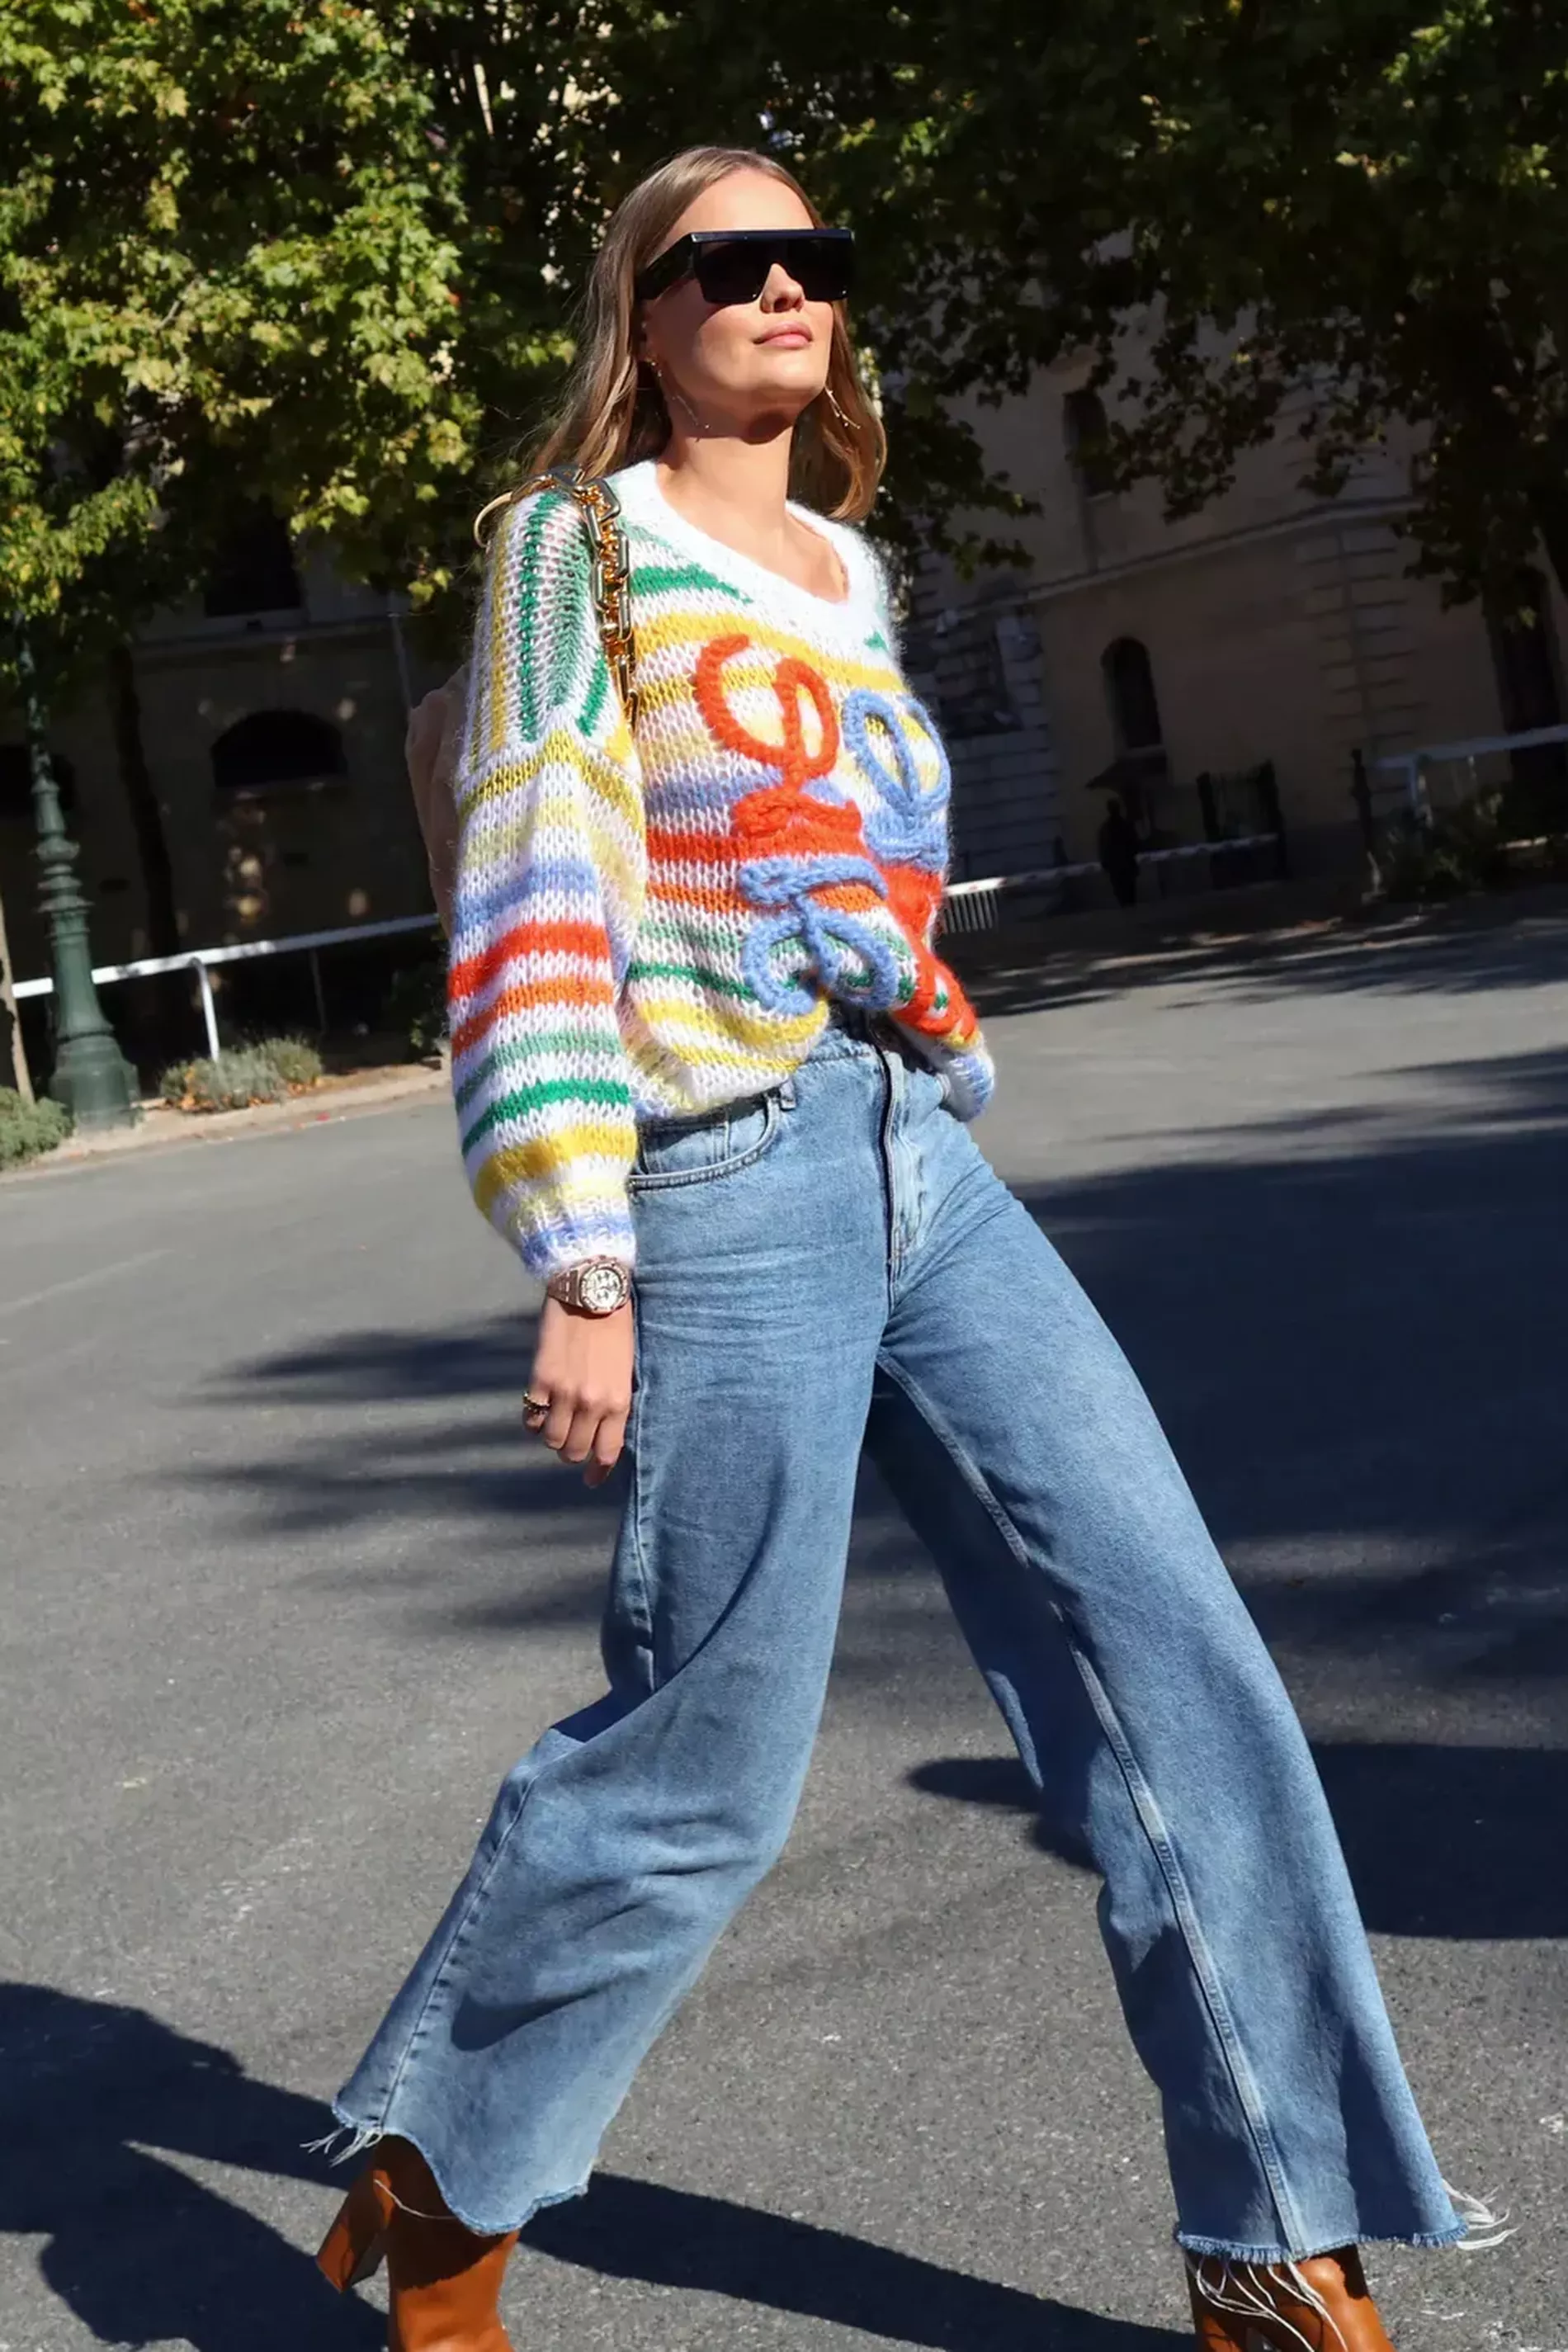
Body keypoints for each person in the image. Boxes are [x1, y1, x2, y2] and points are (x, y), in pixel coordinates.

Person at [313, 145, 1494, 2351]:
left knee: (1174, 1652)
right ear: (640, 315)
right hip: (715, 1169)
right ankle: (443, 2172)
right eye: (718, 263)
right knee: (714, 1756)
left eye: (808, 259)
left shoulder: (852, 572)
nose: (775, 289)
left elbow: (873, 875)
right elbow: (537, 881)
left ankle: (1275, 2234)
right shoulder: (574, 550)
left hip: (911, 1149)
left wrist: (929, 1028)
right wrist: (581, 1252)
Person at [1098, 791, 1141, 909]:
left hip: (1116, 868)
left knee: (1122, 897)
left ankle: (1128, 917)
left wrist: (1105, 863)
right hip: (1126, 866)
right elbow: (1135, 845)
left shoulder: (1106, 829)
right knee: (1130, 897)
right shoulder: (1126, 825)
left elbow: (1103, 848)